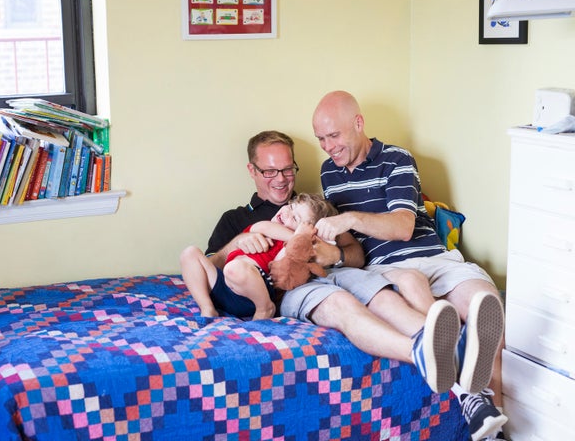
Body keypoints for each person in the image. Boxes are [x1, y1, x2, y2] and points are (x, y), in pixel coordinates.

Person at [200, 130, 492, 399]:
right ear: (252, 170)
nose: (281, 178)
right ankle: (439, 352)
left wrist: (334, 254)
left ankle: (451, 345)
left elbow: (356, 255)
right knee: (341, 302)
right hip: (292, 288)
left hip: (335, 274)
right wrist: (240, 242)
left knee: (382, 294)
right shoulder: (235, 219)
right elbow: (209, 264)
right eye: (270, 171)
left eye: (288, 169)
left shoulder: (313, 207)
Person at [310, 90, 507, 441]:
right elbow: (351, 247)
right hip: (385, 267)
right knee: (413, 283)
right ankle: (472, 396)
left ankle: (496, 425)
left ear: (358, 123)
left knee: (486, 307)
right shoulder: (329, 173)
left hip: (437, 257)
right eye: (321, 138)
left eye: (334, 135)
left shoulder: (397, 158)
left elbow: (402, 226)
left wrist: (349, 218)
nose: (328, 146)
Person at [180, 192, 335, 320]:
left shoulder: (287, 247)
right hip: (222, 286)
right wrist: (299, 236)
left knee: (234, 269)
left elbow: (282, 266)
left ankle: (265, 307)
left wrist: (303, 240)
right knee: (189, 253)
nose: (287, 213)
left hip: (251, 294)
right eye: (291, 207)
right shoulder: (265, 226)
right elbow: (264, 227)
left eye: (295, 218)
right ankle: (207, 307)